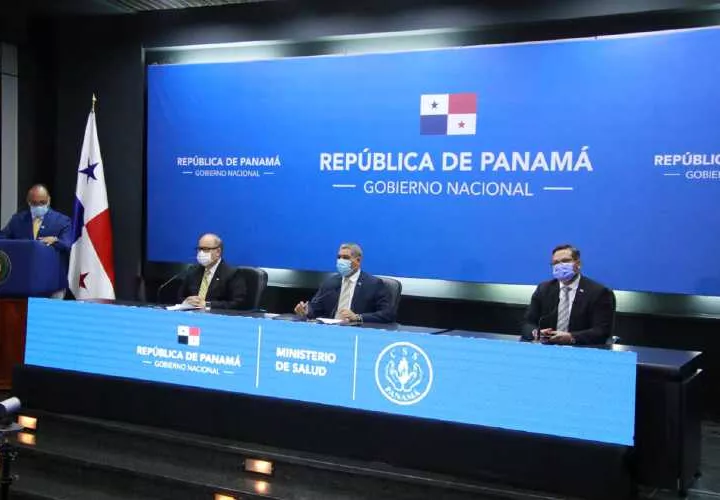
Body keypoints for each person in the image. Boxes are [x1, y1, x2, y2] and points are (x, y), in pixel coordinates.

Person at [521, 244, 614, 345]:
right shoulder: (544, 289)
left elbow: (601, 331)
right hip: (547, 347)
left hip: (581, 348)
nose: (560, 266)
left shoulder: (599, 292)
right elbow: (527, 323)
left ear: (578, 264)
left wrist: (571, 337)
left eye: (565, 261)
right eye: (556, 263)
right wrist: (536, 333)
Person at [294, 243, 395, 324]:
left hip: (358, 332)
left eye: (345, 258)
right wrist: (306, 310)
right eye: (339, 257)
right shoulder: (330, 282)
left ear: (358, 261)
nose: (340, 261)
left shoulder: (373, 284)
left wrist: (358, 317)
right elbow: (317, 307)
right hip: (331, 330)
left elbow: (387, 314)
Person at [177, 233, 248, 310]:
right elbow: (180, 296)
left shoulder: (232, 273)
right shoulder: (193, 271)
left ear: (218, 252)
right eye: (199, 249)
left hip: (216, 315)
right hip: (191, 314)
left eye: (206, 249)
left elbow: (238, 304)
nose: (201, 253)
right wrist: (186, 301)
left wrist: (208, 304)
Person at [0, 184, 72, 251]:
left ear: (49, 200)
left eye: (42, 202)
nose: (39, 206)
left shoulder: (62, 221)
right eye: (34, 203)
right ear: (28, 201)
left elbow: (68, 244)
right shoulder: (17, 220)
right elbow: (2, 238)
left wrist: (56, 241)